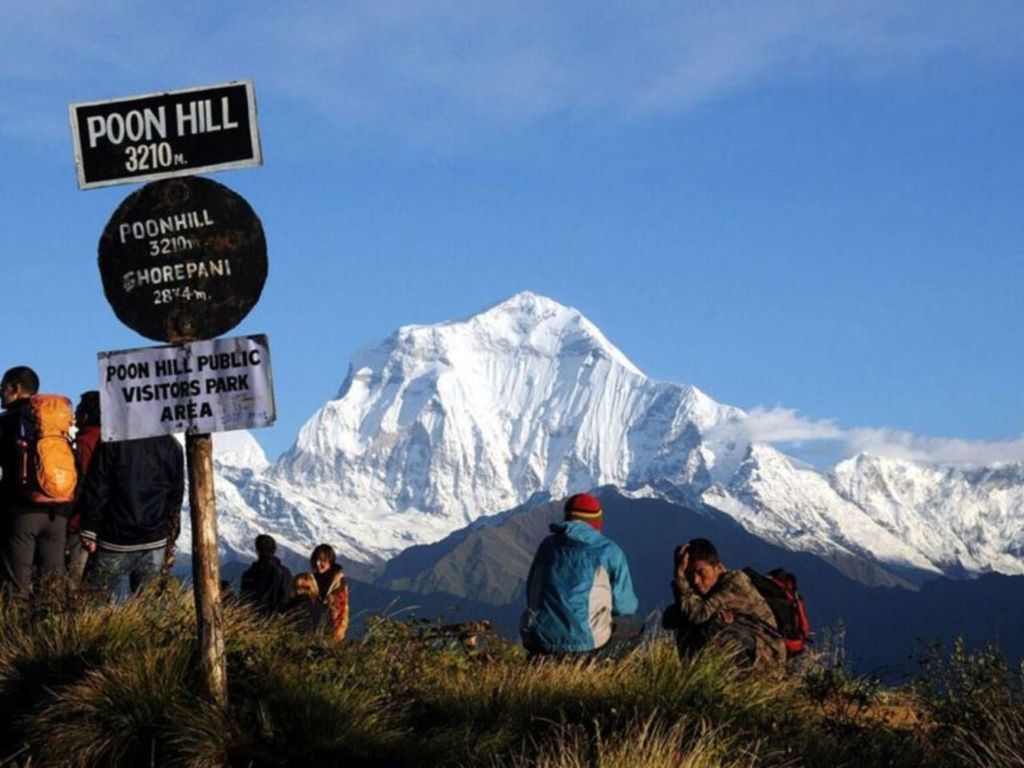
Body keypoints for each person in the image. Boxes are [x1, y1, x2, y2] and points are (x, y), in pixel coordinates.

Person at [520, 493, 638, 658]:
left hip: (540, 640)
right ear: (597, 521)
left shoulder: (546, 546)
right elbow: (625, 607)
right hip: (587, 644)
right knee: (634, 624)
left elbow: (532, 592)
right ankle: (608, 665)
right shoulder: (609, 551)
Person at [78, 433, 184, 598]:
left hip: (115, 537)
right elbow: (176, 494)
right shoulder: (171, 443)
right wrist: (171, 531)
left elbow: (97, 486)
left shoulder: (112, 437)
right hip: (155, 538)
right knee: (149, 604)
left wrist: (90, 527)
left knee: (102, 602)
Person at [0, 366, 73, 593]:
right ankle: (55, 616)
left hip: (21, 511)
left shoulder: (9, 421)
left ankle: (18, 617)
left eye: (2, 388)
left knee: (17, 585)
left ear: (15, 388)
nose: (1, 393)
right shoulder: (54, 422)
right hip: (57, 511)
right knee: (53, 585)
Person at [662, 537, 785, 671]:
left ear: (717, 567)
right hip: (749, 647)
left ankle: (735, 678)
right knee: (684, 619)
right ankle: (693, 672)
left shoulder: (734, 583)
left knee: (714, 624)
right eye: (690, 574)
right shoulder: (704, 590)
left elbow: (698, 615)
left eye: (701, 572)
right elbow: (669, 618)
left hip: (766, 656)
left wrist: (680, 577)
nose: (696, 580)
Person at [67, 391, 102, 587]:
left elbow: (85, 482)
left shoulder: (84, 442)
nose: (75, 416)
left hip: (80, 522)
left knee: (74, 578)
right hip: (108, 523)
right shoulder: (110, 440)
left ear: (86, 415)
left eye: (79, 411)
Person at [239, 533, 293, 617]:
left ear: (257, 551)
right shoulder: (284, 572)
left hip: (253, 618)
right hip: (276, 619)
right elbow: (286, 597)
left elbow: (244, 598)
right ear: (274, 550)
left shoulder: (249, 574)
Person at [310, 543, 349, 641]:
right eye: (316, 560)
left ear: (330, 561)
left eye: (322, 560)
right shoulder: (313, 578)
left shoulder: (338, 583)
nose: (318, 563)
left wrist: (336, 635)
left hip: (330, 630)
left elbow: (341, 610)